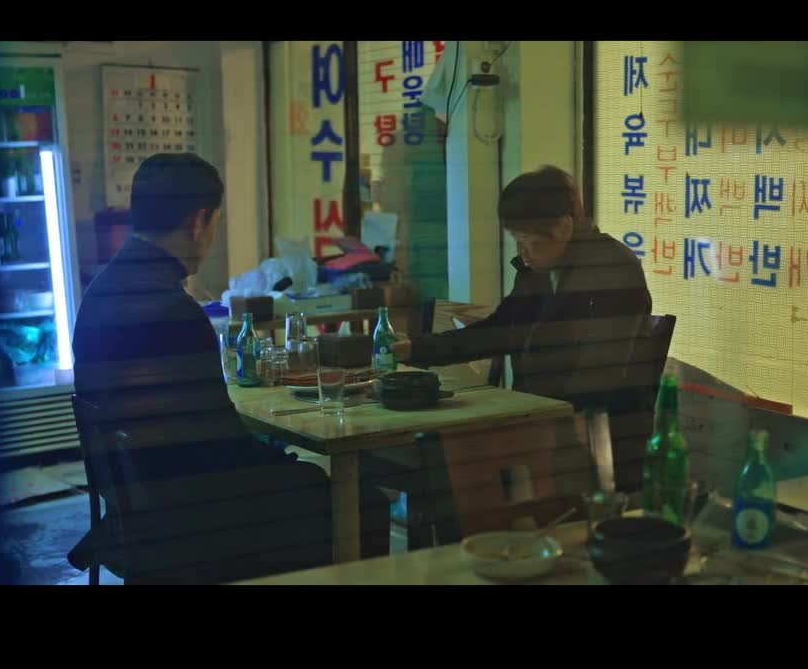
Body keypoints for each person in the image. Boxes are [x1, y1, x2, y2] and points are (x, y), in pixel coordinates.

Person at [69, 153, 389, 582]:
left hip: (138, 509)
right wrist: (278, 457)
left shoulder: (100, 292)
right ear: (199, 221)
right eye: (215, 224)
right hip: (196, 520)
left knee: (303, 474)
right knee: (360, 502)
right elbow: (221, 446)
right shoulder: (173, 310)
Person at [388, 166, 658, 497]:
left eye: (528, 240)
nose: (522, 253)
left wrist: (535, 420)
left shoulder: (612, 268)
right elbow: (501, 330)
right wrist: (417, 348)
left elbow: (599, 371)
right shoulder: (540, 270)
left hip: (592, 431)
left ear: (563, 227)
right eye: (517, 241)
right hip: (540, 418)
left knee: (451, 465)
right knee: (440, 453)